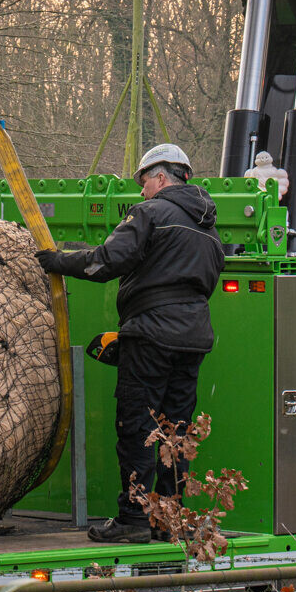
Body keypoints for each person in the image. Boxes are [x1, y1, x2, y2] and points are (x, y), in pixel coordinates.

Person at [36, 142, 225, 543]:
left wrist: (57, 261)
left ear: (160, 177)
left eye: (143, 182)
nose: (140, 191)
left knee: (138, 424)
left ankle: (135, 520)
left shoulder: (151, 213)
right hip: (193, 339)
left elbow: (106, 260)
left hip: (151, 335)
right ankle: (168, 519)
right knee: (175, 431)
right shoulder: (209, 229)